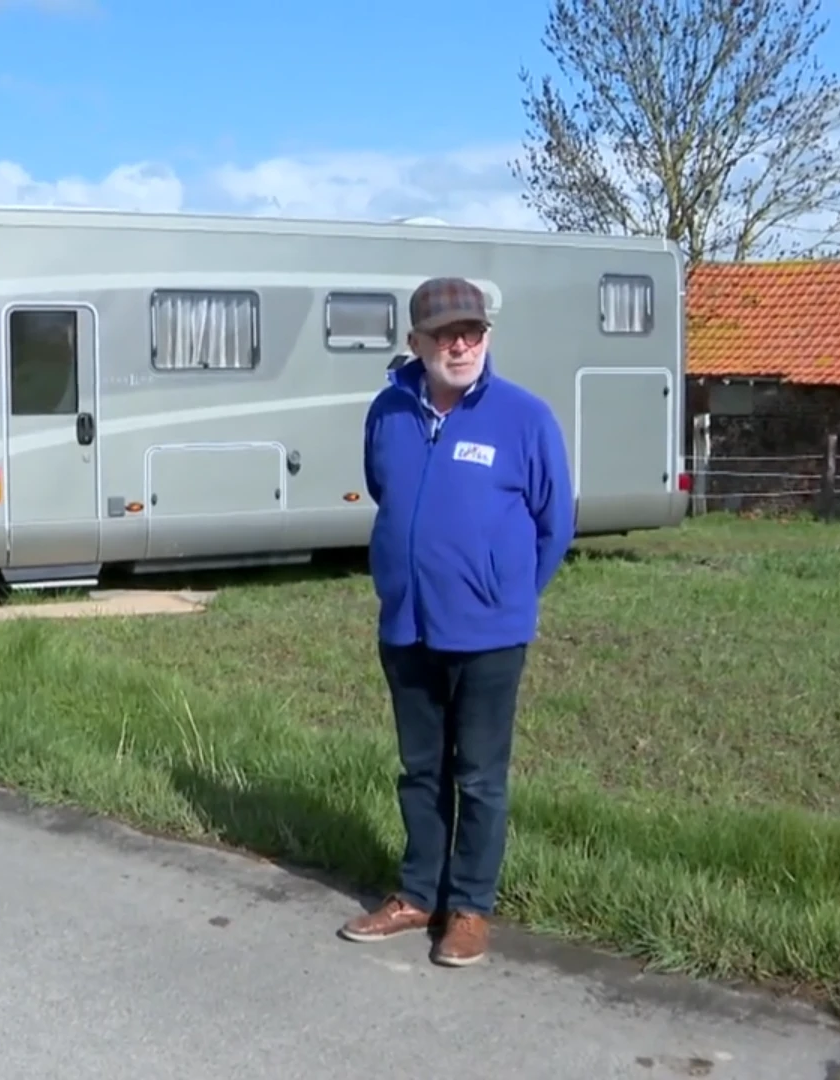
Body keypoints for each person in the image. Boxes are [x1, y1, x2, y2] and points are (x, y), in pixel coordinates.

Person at [340, 276, 574, 967]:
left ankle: (469, 908)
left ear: (487, 337)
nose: (461, 344)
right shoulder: (388, 412)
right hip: (407, 626)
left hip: (490, 634)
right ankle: (417, 896)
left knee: (479, 777)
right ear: (416, 343)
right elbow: (388, 492)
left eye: (472, 332)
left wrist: (506, 595)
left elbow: (555, 524)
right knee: (419, 771)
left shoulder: (524, 418)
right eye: (446, 335)